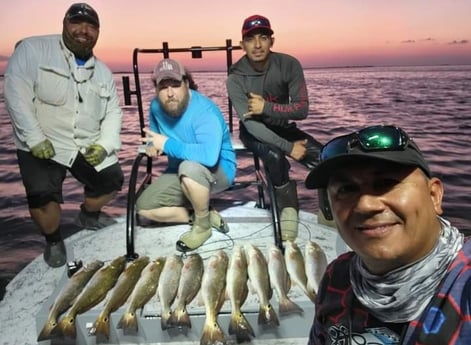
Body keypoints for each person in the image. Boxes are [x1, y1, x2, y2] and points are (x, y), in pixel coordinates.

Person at [305, 125, 471, 344]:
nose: (365, 205)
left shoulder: (465, 284)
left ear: (434, 196)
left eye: (386, 183)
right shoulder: (337, 275)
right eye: (346, 189)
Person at [4, 3, 124, 268]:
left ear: (98, 31)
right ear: (64, 24)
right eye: (76, 22)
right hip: (41, 141)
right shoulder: (33, 49)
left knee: (112, 180)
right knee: (42, 195)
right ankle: (54, 240)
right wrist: (33, 138)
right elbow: (15, 92)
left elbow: (113, 112)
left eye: (91, 25)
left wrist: (104, 145)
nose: (83, 30)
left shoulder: (103, 71)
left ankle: (88, 216)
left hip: (84, 142)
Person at [226, 14, 322, 241]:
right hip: (254, 131)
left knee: (327, 158)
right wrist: (289, 147)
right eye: (250, 39)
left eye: (263, 37)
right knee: (275, 156)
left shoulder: (289, 64)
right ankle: (288, 210)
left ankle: (330, 213)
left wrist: (266, 107)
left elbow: (301, 110)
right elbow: (250, 123)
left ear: (272, 41)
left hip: (284, 127)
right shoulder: (235, 77)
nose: (257, 45)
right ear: (242, 45)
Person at [136, 58, 237, 252]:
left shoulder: (204, 111)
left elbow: (209, 157)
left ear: (187, 83)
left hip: (219, 172)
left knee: (188, 167)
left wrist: (166, 144)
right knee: (144, 208)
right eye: (163, 87)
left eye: (175, 85)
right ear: (156, 89)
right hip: (180, 171)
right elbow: (154, 134)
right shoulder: (156, 107)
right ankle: (202, 214)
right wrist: (151, 145)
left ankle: (202, 227)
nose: (170, 93)